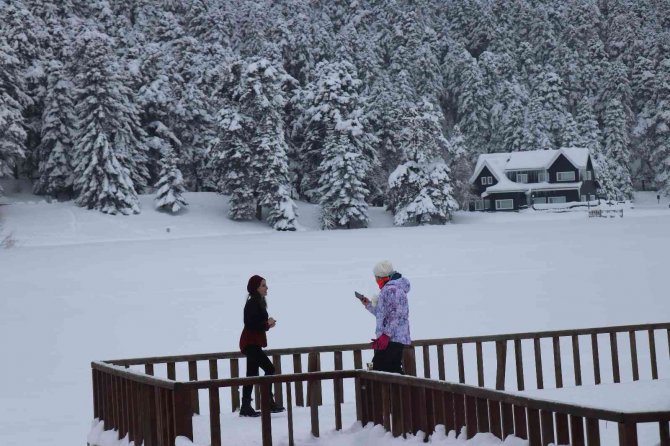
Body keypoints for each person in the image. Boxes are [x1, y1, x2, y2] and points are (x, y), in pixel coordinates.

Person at [238, 275, 285, 417]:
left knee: (251, 374)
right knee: (269, 368)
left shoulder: (258, 302)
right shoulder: (253, 303)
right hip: (250, 343)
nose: (266, 288)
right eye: (263, 285)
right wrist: (267, 324)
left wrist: (268, 325)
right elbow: (250, 324)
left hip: (253, 343)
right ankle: (267, 402)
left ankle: (246, 407)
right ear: (256, 288)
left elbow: (256, 324)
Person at [358, 260, 411, 374]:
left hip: (393, 339)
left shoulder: (392, 290)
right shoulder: (389, 289)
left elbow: (396, 315)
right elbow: (382, 314)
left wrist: (386, 335)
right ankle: (400, 391)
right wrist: (368, 304)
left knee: (381, 369)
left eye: (377, 277)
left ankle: (402, 391)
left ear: (383, 277)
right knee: (389, 370)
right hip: (390, 339)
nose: (376, 280)